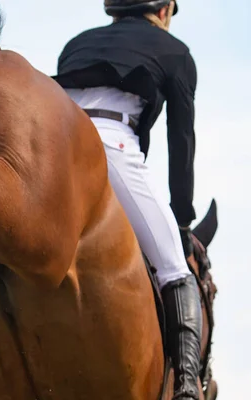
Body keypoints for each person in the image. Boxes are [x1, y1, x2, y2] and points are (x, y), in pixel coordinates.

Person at [53, 1, 203, 399]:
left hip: (52, 149)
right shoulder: (176, 52)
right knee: (175, 269)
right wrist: (183, 221)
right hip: (109, 145)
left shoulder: (76, 43)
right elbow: (181, 143)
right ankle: (189, 385)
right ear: (166, 9)